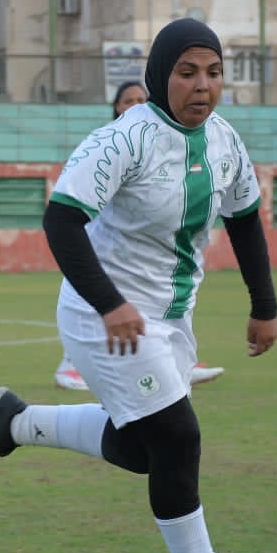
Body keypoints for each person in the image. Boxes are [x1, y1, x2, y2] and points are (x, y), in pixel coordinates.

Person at [0, 19, 277, 553]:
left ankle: (17, 423)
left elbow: (244, 223)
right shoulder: (125, 138)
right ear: (161, 75)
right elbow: (61, 221)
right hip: (104, 317)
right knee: (178, 437)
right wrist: (109, 303)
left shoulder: (224, 141)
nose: (203, 85)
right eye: (187, 72)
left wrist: (264, 306)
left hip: (171, 320)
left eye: (214, 73)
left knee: (144, 451)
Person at [52, 79, 225, 391]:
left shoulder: (164, 145)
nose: (135, 105)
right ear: (116, 107)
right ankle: (69, 367)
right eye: (128, 100)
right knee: (95, 303)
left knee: (166, 297)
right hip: (107, 247)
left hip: (146, 253)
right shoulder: (110, 144)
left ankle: (177, 363)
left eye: (141, 100)